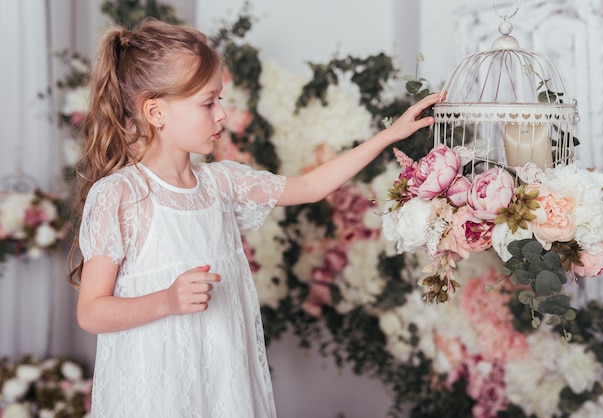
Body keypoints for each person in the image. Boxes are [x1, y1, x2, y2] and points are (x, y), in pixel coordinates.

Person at [68, 18, 440, 418]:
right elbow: (91, 311)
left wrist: (389, 136)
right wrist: (166, 300)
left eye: (220, 101)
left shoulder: (223, 183)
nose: (221, 116)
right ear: (155, 112)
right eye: (208, 103)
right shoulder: (121, 195)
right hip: (156, 390)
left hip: (223, 384)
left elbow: (310, 187)